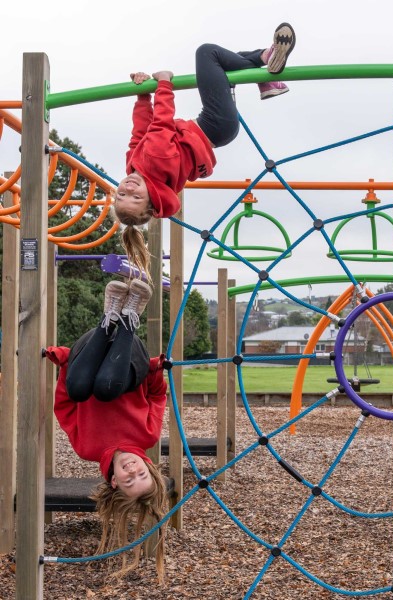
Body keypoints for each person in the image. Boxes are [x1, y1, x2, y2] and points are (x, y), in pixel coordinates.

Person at [114, 23, 296, 277]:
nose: (128, 190)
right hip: (215, 124)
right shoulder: (155, 163)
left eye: (121, 196)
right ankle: (266, 69)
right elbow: (160, 123)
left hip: (216, 130)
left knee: (223, 64)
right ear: (152, 198)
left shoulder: (137, 168)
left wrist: (143, 98)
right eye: (136, 197)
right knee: (207, 53)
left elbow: (139, 134)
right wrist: (163, 84)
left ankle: (266, 66)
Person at [44, 279, 169, 581]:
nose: (133, 471)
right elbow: (156, 396)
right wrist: (154, 369)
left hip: (88, 351)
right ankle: (128, 318)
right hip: (129, 362)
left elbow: (65, 406)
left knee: (81, 388)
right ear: (148, 466)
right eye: (142, 474)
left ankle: (111, 317)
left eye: (129, 480)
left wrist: (64, 365)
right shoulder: (146, 436)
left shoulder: (87, 448)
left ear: (114, 482)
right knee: (105, 389)